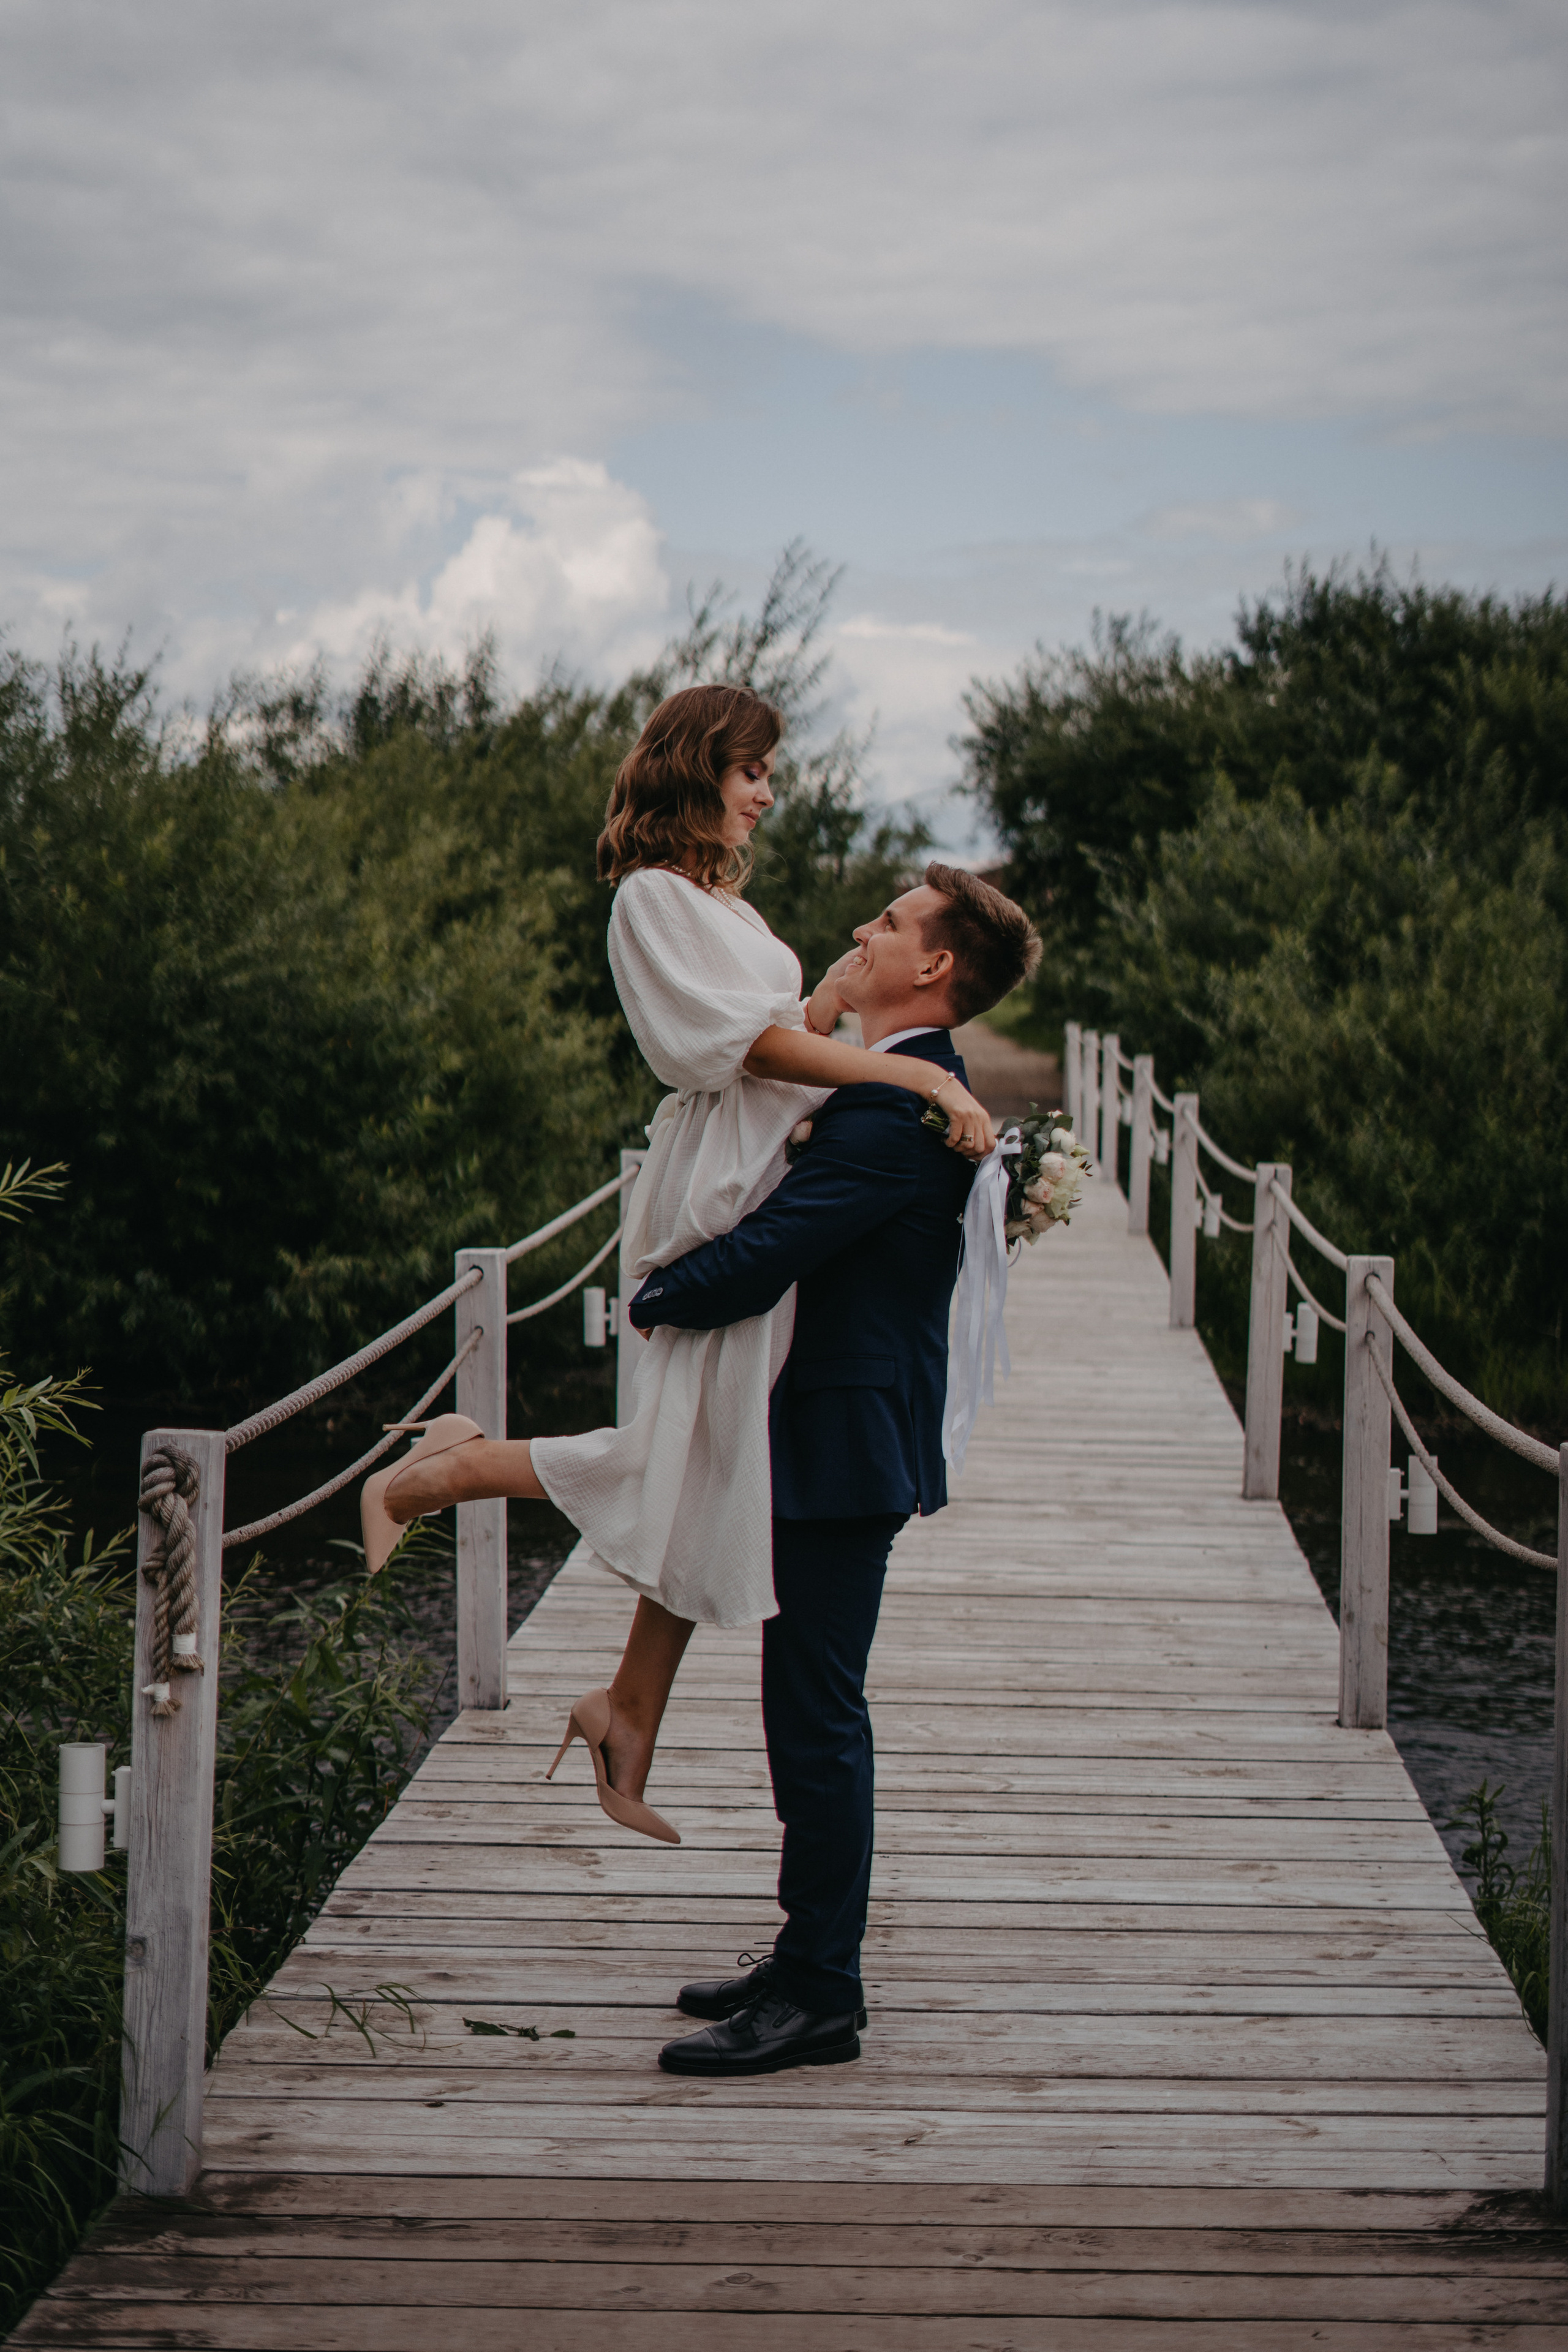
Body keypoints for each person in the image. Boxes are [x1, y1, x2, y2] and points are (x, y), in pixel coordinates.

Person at [361, 682, 998, 1841]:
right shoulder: (649, 898)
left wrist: (827, 1003)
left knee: (713, 1454)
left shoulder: (724, 905)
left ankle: (629, 1708)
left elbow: (778, 1039)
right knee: (681, 1448)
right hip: (716, 1185)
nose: (767, 795)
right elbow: (742, 1049)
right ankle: (453, 1469)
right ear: (698, 768)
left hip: (760, 1167)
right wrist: (914, 1071)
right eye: (752, 772)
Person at [630, 861, 1042, 2076]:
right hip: (834, 1433)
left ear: (935, 965)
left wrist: (655, 1295)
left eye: (891, 922)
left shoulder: (889, 1114)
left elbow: (771, 1249)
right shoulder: (893, 1092)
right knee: (805, 1710)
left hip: (841, 1444)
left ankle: (820, 1995)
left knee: (816, 1721)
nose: (864, 929)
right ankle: (806, 1952)